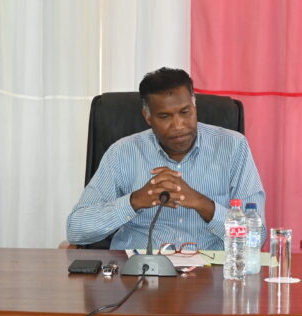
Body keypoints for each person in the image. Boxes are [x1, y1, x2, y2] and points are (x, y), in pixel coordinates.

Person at [66, 67, 265, 252]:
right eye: (164, 116)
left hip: (209, 274)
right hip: (139, 274)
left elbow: (256, 238)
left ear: (194, 106)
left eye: (185, 112)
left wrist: (203, 205)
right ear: (148, 116)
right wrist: (134, 201)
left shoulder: (233, 147)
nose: (178, 125)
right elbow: (76, 230)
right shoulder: (122, 153)